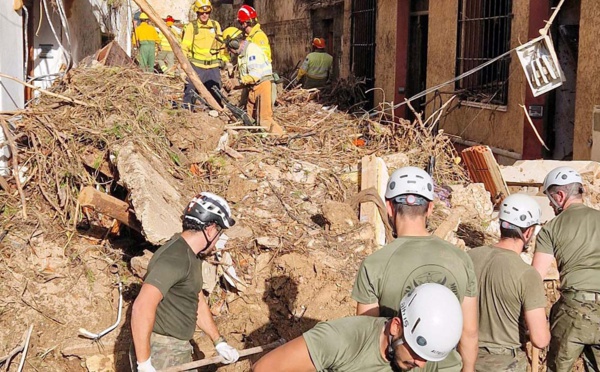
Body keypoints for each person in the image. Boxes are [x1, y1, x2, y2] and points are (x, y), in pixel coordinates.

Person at [352, 166, 479, 372]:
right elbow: (470, 331)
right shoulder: (461, 259)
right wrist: (469, 368)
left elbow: (366, 335)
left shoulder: (375, 264)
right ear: (429, 208)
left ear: (389, 207)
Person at [130, 192, 240, 371]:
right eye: (219, 233)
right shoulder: (174, 258)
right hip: (163, 353)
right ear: (210, 229)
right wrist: (144, 364)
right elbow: (141, 307)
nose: (218, 240)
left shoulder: (190, 255)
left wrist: (219, 341)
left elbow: (195, 300)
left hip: (175, 351)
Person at [253, 283, 464, 372]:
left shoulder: (429, 356)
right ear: (395, 327)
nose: (420, 364)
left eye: (426, 358)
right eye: (416, 353)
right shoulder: (342, 340)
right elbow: (265, 369)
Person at [468, 194, 550, 371]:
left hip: (465, 356)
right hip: (504, 362)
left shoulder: (469, 258)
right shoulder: (527, 274)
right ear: (528, 232)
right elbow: (540, 339)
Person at [532, 166, 600, 372]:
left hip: (573, 309)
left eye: (551, 199)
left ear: (560, 196)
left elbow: (535, 278)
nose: (551, 206)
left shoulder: (551, 228)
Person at [222, 27, 284, 136]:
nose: (229, 51)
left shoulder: (252, 51)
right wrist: (234, 85)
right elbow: (247, 78)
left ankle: (282, 137)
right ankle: (260, 139)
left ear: (234, 43)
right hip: (253, 87)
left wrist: (238, 81)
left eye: (229, 48)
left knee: (264, 119)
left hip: (263, 86)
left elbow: (255, 75)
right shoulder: (242, 54)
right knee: (250, 118)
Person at [181, 0, 228, 108]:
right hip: (196, 67)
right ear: (197, 13)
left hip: (213, 68)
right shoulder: (191, 27)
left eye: (207, 13)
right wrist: (183, 69)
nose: (204, 15)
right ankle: (186, 113)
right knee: (190, 92)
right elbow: (184, 48)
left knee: (216, 94)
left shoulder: (215, 25)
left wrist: (226, 61)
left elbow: (222, 46)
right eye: (202, 13)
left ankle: (215, 115)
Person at [236, 5, 277, 109]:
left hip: (260, 81)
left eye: (240, 23)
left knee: (262, 115)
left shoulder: (258, 37)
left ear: (244, 23)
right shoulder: (250, 37)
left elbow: (263, 59)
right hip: (252, 80)